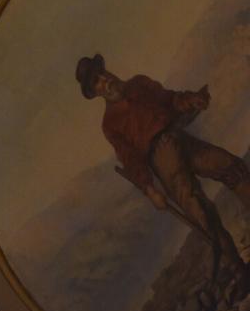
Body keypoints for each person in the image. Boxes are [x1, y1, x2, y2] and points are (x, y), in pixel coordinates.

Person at [76, 54, 250, 280]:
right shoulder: (110, 124)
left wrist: (192, 100)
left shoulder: (139, 83)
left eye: (102, 73)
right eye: (97, 81)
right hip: (162, 160)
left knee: (230, 166)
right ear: (95, 92)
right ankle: (241, 270)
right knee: (200, 211)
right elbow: (131, 160)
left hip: (180, 137)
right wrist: (150, 190)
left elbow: (170, 100)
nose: (104, 80)